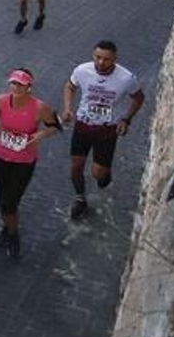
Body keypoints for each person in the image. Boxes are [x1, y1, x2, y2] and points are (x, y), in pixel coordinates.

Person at [61, 40, 146, 221]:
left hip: (107, 130)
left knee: (98, 174)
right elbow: (70, 86)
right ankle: (80, 198)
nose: (101, 62)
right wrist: (68, 108)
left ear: (114, 59)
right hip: (83, 124)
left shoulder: (126, 78)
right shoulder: (82, 70)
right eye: (97, 57)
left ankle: (104, 172)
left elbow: (139, 98)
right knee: (76, 165)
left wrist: (126, 119)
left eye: (106, 59)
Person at [0, 69, 61, 259]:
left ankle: (13, 235)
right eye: (13, 83)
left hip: (24, 161)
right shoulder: (2, 100)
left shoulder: (39, 108)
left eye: (20, 84)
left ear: (29, 87)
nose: (15, 87)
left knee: (10, 201)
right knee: (4, 200)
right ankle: (8, 226)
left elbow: (55, 126)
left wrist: (40, 134)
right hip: (1, 157)